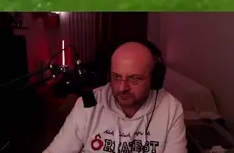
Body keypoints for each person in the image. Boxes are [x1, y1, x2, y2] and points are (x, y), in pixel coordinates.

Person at [43, 41, 186, 153]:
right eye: (116, 77)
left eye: (134, 78)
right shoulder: (88, 104)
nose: (122, 88)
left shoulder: (170, 109)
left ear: (154, 79)